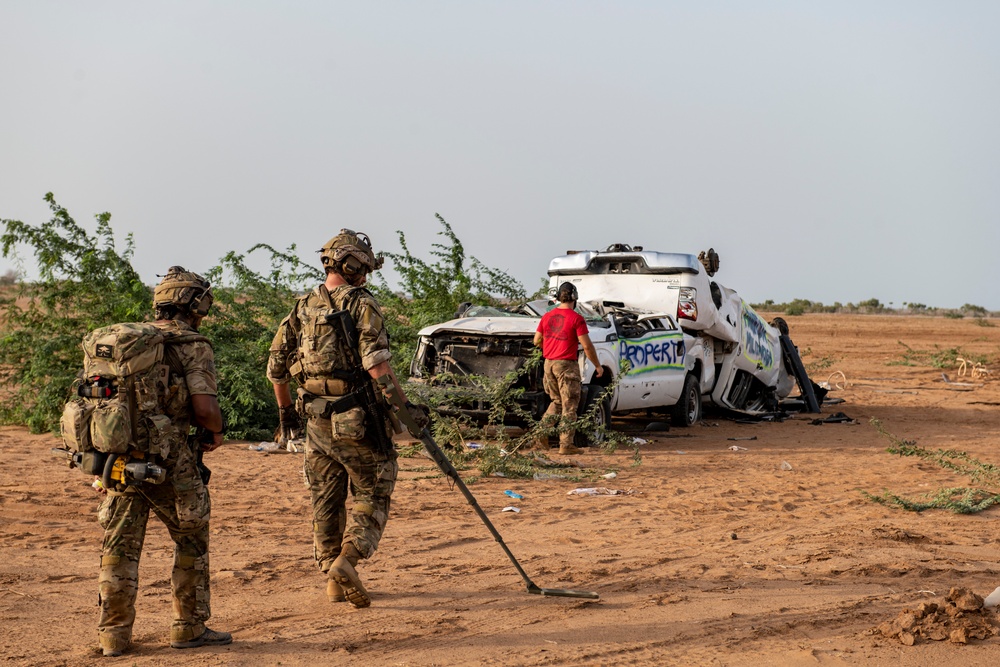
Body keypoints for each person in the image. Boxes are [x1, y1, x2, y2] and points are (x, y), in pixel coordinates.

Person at [267, 229, 425, 608]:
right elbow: (378, 367)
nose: (367, 275)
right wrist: (407, 415)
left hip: (314, 419)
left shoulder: (303, 305)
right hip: (358, 421)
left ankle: (332, 578)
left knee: (325, 499)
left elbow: (276, 368)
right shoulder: (361, 304)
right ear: (353, 265)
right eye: (365, 267)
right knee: (375, 487)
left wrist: (286, 415)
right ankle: (347, 560)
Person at [96, 267, 230, 657]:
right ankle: (188, 627)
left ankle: (113, 636)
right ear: (194, 304)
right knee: (192, 535)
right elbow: (205, 409)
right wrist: (216, 432)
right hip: (170, 457)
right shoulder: (193, 344)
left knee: (119, 545)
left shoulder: (128, 340)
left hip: (119, 457)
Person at [533, 282, 604, 455]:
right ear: (574, 297)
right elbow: (587, 346)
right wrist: (597, 365)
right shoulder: (576, 318)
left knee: (557, 402)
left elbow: (536, 341)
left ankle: (540, 435)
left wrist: (551, 347)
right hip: (566, 365)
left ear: (558, 297)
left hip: (549, 364)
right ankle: (566, 444)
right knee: (569, 405)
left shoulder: (547, 316)